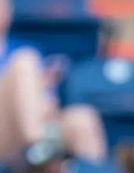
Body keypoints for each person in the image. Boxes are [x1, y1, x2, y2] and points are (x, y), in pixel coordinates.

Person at [0, 0, 108, 164]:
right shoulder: (25, 58)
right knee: (25, 62)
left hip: (35, 122)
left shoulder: (27, 48)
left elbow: (48, 101)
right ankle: (37, 150)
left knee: (82, 118)